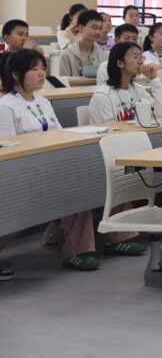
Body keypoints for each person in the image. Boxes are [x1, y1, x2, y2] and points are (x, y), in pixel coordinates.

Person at [0, 49, 145, 273]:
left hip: (52, 166)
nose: (42, 73)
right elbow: (8, 148)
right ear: (16, 75)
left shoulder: (43, 101)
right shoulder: (6, 106)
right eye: (34, 69)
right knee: (76, 185)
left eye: (43, 68)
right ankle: (78, 248)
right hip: (26, 172)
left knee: (101, 175)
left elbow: (60, 134)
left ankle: (110, 238)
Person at [89, 42, 162, 125]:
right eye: (135, 57)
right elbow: (109, 129)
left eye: (141, 56)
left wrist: (154, 79)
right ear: (120, 63)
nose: (141, 61)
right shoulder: (102, 97)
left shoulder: (139, 90)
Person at [55, 9, 108, 77]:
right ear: (81, 28)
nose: (98, 32)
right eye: (94, 27)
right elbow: (64, 82)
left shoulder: (103, 56)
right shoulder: (67, 55)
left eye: (100, 28)